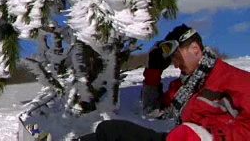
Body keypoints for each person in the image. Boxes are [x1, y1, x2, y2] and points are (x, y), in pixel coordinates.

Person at [76, 24, 250, 141]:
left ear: (195, 49)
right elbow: (153, 110)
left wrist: (205, 136)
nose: (174, 63)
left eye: (176, 56)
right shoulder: (185, 87)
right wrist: (154, 71)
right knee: (111, 131)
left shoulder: (234, 79)